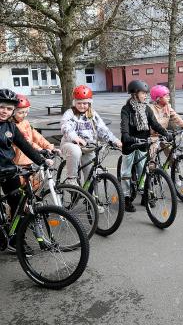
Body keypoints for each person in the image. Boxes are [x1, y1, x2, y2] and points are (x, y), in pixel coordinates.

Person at [0, 89, 52, 252]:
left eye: (9, 109)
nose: (5, 111)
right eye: (2, 107)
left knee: (17, 204)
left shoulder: (11, 126)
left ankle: (15, 239)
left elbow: (25, 146)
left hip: (9, 169)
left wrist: (42, 160)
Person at [120, 80, 170, 212]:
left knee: (143, 170)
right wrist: (127, 137)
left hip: (143, 142)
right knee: (126, 172)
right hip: (130, 144)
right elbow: (124, 129)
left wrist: (165, 133)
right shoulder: (126, 109)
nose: (145, 96)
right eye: (143, 93)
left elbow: (154, 124)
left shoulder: (146, 108)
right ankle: (125, 198)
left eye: (146, 93)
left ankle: (144, 195)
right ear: (134, 94)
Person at [60, 85, 122, 186]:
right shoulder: (70, 113)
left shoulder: (92, 114)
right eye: (79, 103)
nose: (82, 106)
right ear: (74, 103)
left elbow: (102, 129)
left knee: (92, 176)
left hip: (88, 147)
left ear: (89, 103)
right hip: (70, 144)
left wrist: (115, 141)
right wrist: (75, 138)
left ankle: (89, 197)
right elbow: (65, 126)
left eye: (85, 103)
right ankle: (71, 179)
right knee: (75, 151)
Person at [12, 94, 60, 190]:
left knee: (35, 186)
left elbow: (37, 137)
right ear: (12, 112)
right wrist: (41, 150)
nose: (24, 115)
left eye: (26, 112)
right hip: (17, 162)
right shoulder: (12, 126)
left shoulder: (26, 123)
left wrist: (50, 147)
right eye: (21, 113)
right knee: (21, 190)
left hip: (30, 160)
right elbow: (27, 143)